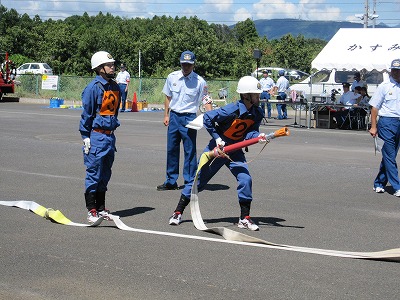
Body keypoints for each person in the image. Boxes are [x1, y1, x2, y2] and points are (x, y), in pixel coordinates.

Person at [168, 75, 266, 231]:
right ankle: (177, 212)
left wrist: (258, 137)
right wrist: (218, 138)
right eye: (256, 94)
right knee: (198, 182)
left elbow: (250, 133)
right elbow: (207, 118)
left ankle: (244, 218)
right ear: (246, 95)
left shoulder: (257, 113)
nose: (259, 96)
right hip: (218, 150)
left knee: (245, 179)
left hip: (236, 150)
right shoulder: (231, 109)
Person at [157, 50, 212, 191]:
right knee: (172, 149)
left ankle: (189, 181)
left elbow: (206, 99)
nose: (186, 67)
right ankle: (171, 181)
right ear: (180, 62)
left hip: (189, 118)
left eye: (189, 64)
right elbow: (168, 97)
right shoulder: (172, 77)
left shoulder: (200, 81)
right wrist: (166, 115)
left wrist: (210, 116)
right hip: (174, 116)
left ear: (193, 65)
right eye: (184, 64)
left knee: (189, 150)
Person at [79, 51, 121, 223]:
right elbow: (87, 114)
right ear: (99, 68)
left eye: (112, 64)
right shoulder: (93, 88)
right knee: (93, 173)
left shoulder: (115, 87)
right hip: (96, 136)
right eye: (109, 64)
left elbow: (114, 112)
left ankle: (101, 209)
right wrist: (85, 136)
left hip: (110, 137)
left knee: (105, 174)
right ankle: (91, 210)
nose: (113, 67)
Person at [369, 58, 400, 196]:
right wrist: (373, 126)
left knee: (389, 155)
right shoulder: (384, 86)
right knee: (389, 154)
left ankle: (379, 183)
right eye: (394, 70)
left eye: (398, 70)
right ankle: (397, 186)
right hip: (387, 122)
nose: (396, 73)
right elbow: (374, 108)